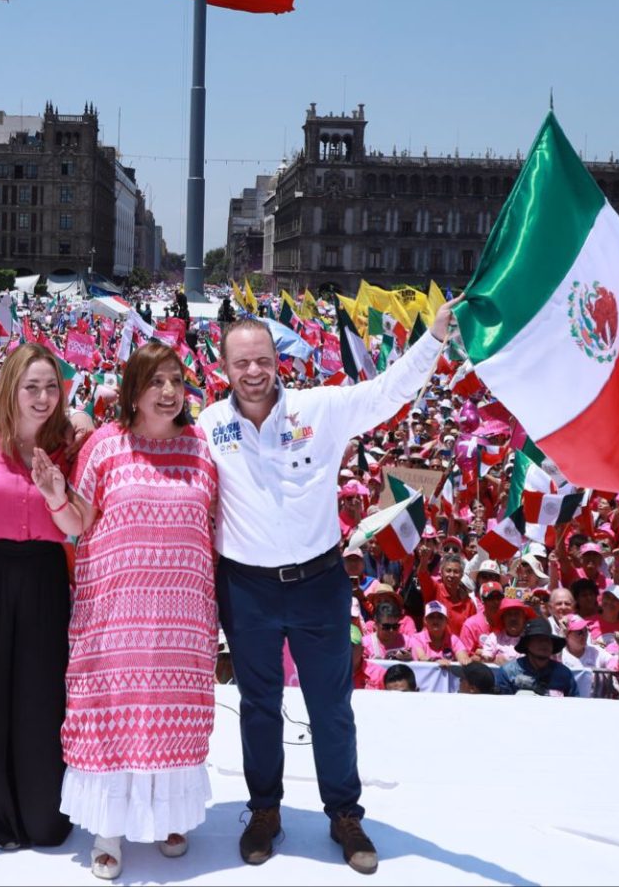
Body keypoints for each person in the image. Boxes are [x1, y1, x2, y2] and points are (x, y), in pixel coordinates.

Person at [198, 303, 452, 874]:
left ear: (277, 360)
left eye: (263, 359)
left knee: (331, 706)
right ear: (224, 367)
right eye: (242, 362)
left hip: (317, 584)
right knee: (258, 705)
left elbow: (389, 392)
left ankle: (344, 813)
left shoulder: (322, 407)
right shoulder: (208, 425)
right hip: (247, 589)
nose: (254, 371)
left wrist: (434, 338)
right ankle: (264, 809)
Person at [55, 341, 220, 880]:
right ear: (133, 390)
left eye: (176, 381)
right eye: (156, 382)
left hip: (183, 616)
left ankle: (172, 815)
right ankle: (109, 830)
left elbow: (217, 522)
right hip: (115, 613)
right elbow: (78, 521)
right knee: (116, 712)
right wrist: (56, 494)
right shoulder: (104, 446)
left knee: (174, 713)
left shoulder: (202, 449)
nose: (169, 392)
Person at [0, 343, 80, 851]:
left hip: (44, 575)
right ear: (9, 387)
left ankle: (41, 813)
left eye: (51, 386)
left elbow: (76, 525)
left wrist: (56, 492)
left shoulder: (71, 443)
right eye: (31, 386)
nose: (43, 396)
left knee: (41, 695)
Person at [494, 619, 578, 697]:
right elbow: (501, 705)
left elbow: (575, 705)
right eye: (539, 639)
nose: (544, 644)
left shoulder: (564, 674)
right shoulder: (508, 673)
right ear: (527, 644)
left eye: (548, 640)